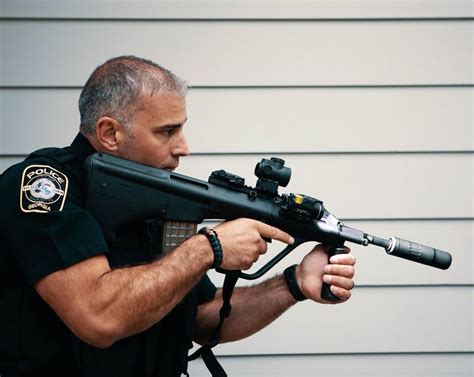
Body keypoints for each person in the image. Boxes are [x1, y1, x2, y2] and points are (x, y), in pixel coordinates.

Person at [0, 56, 356, 377]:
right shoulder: (46, 185)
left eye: (181, 128)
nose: (183, 147)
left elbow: (202, 316)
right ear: (110, 133)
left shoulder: (157, 199)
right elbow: (99, 318)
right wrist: (209, 247)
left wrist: (293, 285)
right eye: (167, 131)